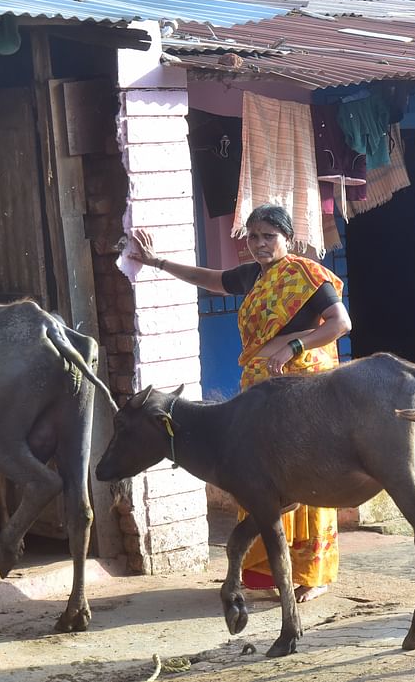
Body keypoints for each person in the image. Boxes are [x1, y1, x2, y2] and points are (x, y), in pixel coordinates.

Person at [131, 205, 352, 603]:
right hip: (258, 392)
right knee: (260, 475)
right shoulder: (253, 275)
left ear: (288, 237)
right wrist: (156, 262)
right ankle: (269, 567)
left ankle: (312, 573)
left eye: (269, 235)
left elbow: (340, 324)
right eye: (253, 237)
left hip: (302, 391)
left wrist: (295, 345)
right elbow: (208, 279)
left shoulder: (307, 276)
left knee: (306, 476)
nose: (260, 243)